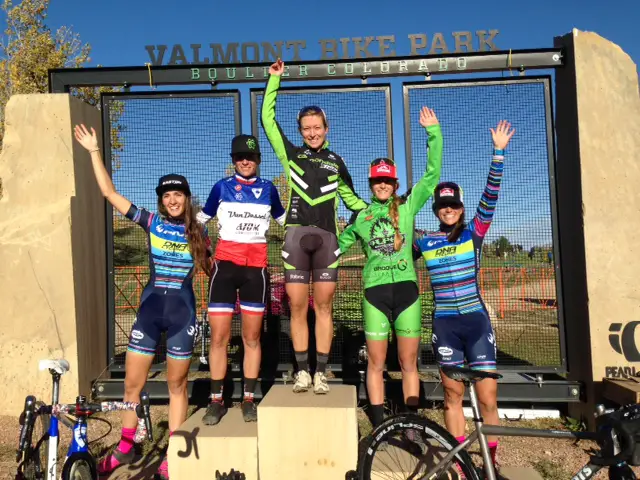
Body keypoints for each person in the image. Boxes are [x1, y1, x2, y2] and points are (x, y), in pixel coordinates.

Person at [73, 124, 212, 480]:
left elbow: (214, 270)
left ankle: (174, 454)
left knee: (177, 386)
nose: (172, 200)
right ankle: (125, 447)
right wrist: (92, 151)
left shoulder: (200, 231)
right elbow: (109, 192)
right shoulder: (151, 223)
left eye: (178, 194)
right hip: (149, 313)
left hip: (182, 315)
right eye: (166, 196)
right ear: (161, 201)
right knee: (132, 386)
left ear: (187, 197)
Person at [261, 59, 367, 394]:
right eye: (306, 128)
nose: (312, 132)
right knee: (295, 306)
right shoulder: (291, 156)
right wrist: (274, 80)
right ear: (301, 131)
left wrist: (384, 215)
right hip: (295, 237)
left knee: (323, 306)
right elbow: (267, 120)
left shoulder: (337, 162)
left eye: (317, 127)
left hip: (326, 240)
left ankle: (321, 372)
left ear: (326, 127)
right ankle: (302, 371)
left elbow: (354, 202)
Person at [415, 120, 515, 472]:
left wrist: (498, 153)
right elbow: (393, 239)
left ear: (460, 206)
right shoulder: (424, 240)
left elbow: (490, 196)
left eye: (454, 204)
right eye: (443, 205)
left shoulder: (474, 231)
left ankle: (490, 456)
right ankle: (460, 462)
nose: (448, 209)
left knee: (487, 397)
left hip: (475, 321)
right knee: (453, 396)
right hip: (445, 324)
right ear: (436, 209)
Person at [338, 107, 443, 428]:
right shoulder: (361, 217)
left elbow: (431, 176)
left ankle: (411, 424)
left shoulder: (407, 206)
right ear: (371, 184)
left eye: (387, 180)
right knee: (376, 362)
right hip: (374, 296)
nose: (382, 185)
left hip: (408, 293)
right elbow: (335, 249)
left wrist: (434, 134)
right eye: (377, 180)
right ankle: (381, 423)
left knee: (408, 362)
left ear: (394, 183)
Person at [196, 134, 286, 425]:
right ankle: (216, 401)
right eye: (238, 157)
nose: (244, 161)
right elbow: (197, 223)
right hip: (224, 269)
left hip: (256, 270)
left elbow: (289, 223)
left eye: (249, 156)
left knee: (251, 338)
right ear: (232, 160)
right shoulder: (221, 187)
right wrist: (206, 256)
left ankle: (249, 398)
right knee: (219, 338)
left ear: (258, 159)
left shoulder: (270, 189)